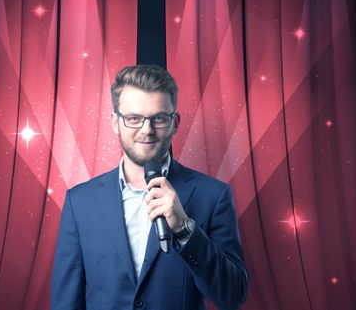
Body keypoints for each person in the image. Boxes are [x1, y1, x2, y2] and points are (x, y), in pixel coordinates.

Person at [51, 65, 248, 310]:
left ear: (175, 123)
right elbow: (65, 302)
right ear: (115, 122)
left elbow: (233, 295)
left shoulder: (214, 196)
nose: (147, 130)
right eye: (134, 118)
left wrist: (185, 229)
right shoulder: (79, 202)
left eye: (159, 119)